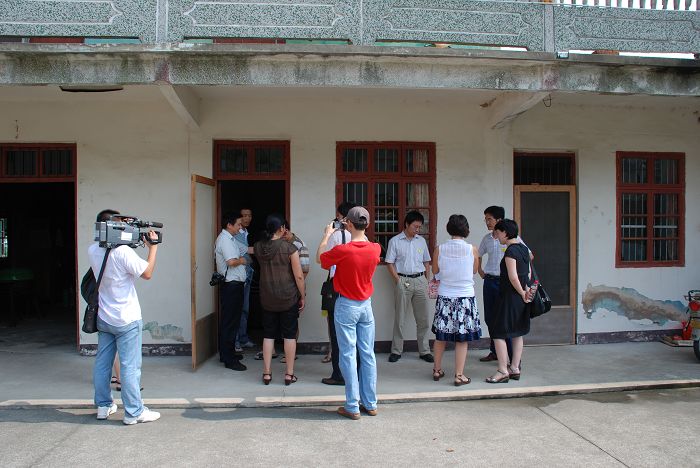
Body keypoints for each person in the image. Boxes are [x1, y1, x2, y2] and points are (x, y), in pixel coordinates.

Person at [90, 209, 160, 425]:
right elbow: (147, 273)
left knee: (103, 363)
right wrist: (153, 248)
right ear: (111, 227)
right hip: (127, 318)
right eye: (121, 225)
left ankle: (103, 406)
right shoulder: (122, 252)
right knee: (130, 366)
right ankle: (134, 412)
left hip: (105, 316)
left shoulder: (93, 249)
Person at [318, 206, 381, 420]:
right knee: (368, 354)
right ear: (367, 224)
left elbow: (321, 259)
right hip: (366, 305)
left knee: (348, 354)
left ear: (349, 224)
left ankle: (352, 405)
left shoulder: (343, 250)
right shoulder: (375, 248)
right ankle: (370, 403)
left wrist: (327, 235)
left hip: (346, 304)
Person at [254, 214, 306, 385]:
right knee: (289, 336)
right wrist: (302, 295)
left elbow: (250, 251)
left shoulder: (259, 247)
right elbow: (299, 276)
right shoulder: (289, 248)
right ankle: (289, 374)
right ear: (282, 228)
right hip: (288, 297)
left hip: (267, 296)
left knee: (268, 335)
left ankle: (267, 373)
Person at [478, 206, 533, 363]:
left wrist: (523, 278)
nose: (487, 222)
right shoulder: (487, 239)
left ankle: (511, 358)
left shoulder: (513, 239)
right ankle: (495, 351)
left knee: (506, 319)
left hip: (507, 284)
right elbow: (478, 255)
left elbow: (529, 255)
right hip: (490, 281)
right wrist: (480, 271)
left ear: (499, 220)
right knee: (490, 317)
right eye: (486, 219)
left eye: (489, 219)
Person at [430, 215, 481, 386]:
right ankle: (459, 375)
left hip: (445, 296)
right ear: (466, 229)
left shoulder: (440, 249)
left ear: (449, 228)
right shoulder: (472, 249)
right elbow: (474, 270)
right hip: (465, 297)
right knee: (462, 338)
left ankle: (437, 370)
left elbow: (435, 270)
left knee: (440, 336)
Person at [385, 210, 433, 363]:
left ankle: (424, 351)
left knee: (423, 319)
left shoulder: (421, 241)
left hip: (420, 280)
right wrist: (397, 280)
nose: (417, 230)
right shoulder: (395, 241)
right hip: (403, 280)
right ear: (406, 224)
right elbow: (389, 263)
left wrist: (426, 280)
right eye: (415, 227)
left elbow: (426, 261)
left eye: (419, 227)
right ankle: (396, 350)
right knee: (400, 318)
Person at [318, 201, 356, 385]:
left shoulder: (337, 235)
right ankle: (354, 374)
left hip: (337, 287)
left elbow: (322, 259)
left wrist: (327, 235)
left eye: (339, 216)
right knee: (354, 334)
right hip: (355, 288)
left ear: (344, 217)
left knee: (336, 333)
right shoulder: (362, 238)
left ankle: (338, 375)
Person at [215, 210, 248, 372]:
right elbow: (231, 261)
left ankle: (227, 353)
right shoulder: (225, 240)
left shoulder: (230, 239)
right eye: (238, 224)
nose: (240, 227)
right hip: (231, 285)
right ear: (229, 225)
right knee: (230, 322)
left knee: (232, 321)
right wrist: (243, 260)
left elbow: (246, 250)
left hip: (234, 285)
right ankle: (229, 359)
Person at [234, 208, 255, 352]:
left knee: (245, 308)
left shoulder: (246, 232)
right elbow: (247, 252)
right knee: (237, 308)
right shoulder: (234, 235)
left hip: (247, 274)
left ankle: (242, 337)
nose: (247, 218)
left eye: (249, 215)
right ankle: (235, 341)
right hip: (238, 276)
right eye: (244, 216)